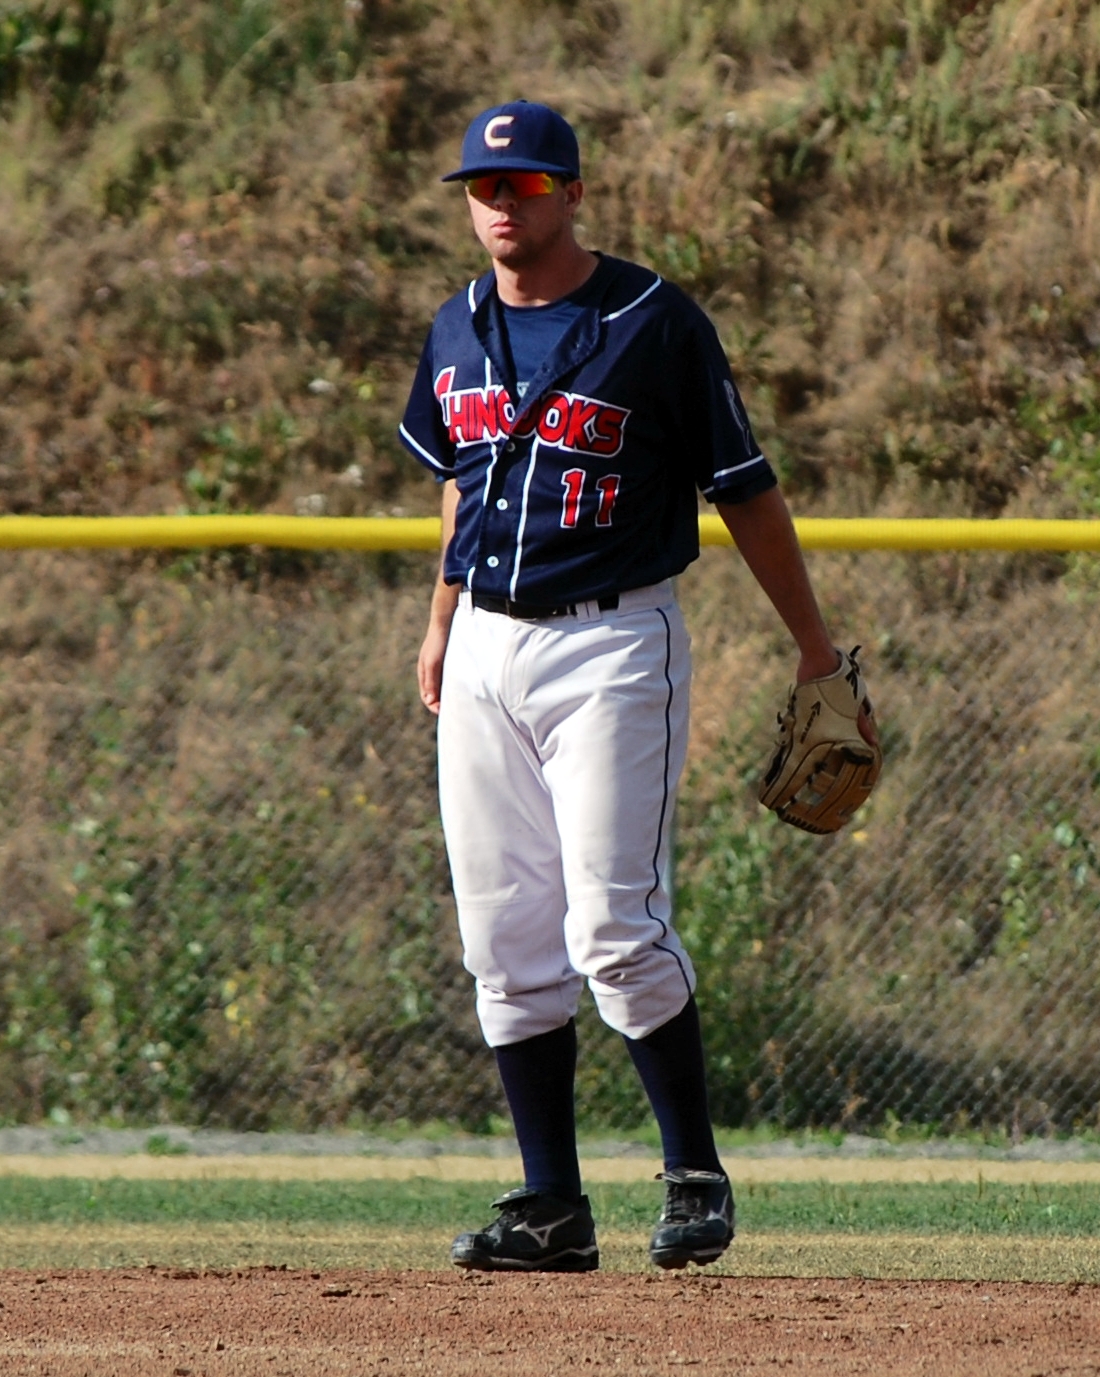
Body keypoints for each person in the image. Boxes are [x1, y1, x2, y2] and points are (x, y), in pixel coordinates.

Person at [400, 100, 871, 1273]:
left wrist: (814, 651)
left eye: (525, 185)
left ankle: (694, 1176)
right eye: (483, 187)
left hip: (612, 645)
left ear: (571, 191)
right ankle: (550, 1206)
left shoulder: (653, 322)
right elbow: (465, 472)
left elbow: (744, 489)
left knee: (613, 921)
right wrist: (437, 620)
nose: (501, 205)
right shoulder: (455, 327)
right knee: (503, 939)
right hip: (482, 652)